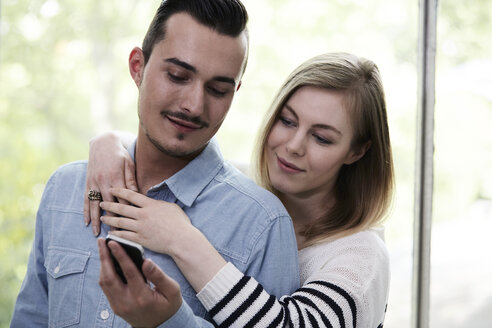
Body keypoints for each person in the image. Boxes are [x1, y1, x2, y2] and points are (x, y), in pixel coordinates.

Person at [10, 1, 300, 327]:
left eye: (218, 90)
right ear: (138, 67)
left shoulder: (263, 223)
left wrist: (171, 321)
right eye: (177, 76)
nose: (194, 105)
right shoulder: (65, 188)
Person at [87, 52, 394, 327]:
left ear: (357, 151)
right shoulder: (244, 191)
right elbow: (173, 153)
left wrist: (180, 239)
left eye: (322, 138)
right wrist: (109, 143)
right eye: (287, 121)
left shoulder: (361, 257)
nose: (294, 146)